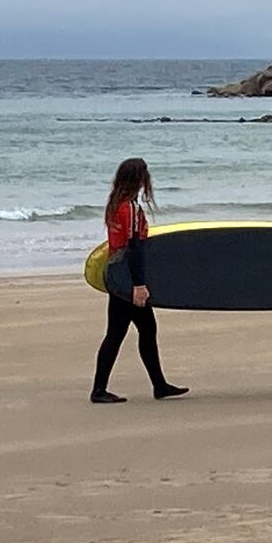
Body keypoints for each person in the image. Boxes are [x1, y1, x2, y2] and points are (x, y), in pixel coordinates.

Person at [91, 158, 188, 403]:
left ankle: (156, 385)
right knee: (133, 331)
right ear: (139, 179)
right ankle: (104, 390)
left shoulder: (115, 204)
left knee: (123, 331)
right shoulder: (130, 208)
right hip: (127, 277)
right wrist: (138, 285)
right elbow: (134, 248)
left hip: (116, 273)